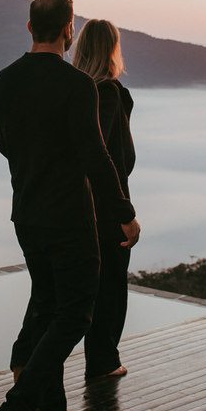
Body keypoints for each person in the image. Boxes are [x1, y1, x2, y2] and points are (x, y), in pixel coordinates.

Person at [0, 0, 140, 411]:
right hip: (70, 217)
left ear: (30, 27)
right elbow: (96, 158)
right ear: (69, 29)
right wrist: (125, 215)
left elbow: (6, 148)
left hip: (26, 214)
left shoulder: (3, 82)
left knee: (47, 307)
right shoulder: (77, 86)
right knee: (75, 314)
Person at [72, 19, 136, 379]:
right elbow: (104, 155)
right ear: (112, 49)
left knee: (86, 289)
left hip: (77, 204)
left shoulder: (74, 92)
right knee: (111, 287)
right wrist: (124, 212)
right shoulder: (107, 92)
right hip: (108, 206)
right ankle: (104, 361)